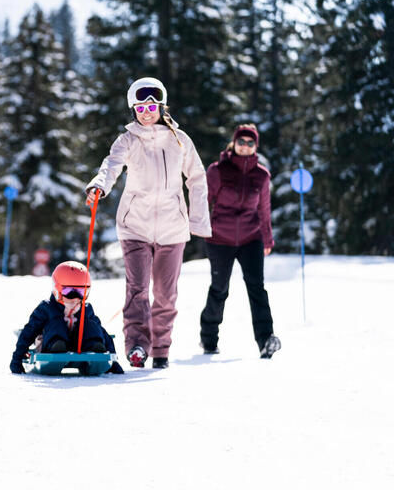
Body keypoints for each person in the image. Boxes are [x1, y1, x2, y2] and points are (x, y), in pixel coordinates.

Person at [86, 77, 211, 370]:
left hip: (172, 227)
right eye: (140, 107)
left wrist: (197, 221)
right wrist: (99, 186)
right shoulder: (128, 139)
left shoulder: (180, 140)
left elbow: (197, 178)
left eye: (151, 105)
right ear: (133, 109)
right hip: (135, 226)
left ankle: (160, 348)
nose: (146, 112)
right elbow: (111, 165)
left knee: (166, 294)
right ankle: (138, 346)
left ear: (161, 106)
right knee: (138, 289)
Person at [199, 124, 281, 359]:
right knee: (219, 289)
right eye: (241, 142)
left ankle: (266, 340)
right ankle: (209, 339)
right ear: (233, 144)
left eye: (250, 143)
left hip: (251, 238)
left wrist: (267, 239)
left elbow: (264, 210)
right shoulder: (217, 170)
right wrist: (203, 228)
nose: (245, 146)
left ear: (256, 146)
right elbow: (204, 201)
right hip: (220, 238)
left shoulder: (262, 175)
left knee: (257, 288)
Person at [10, 260, 123, 374]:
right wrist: (17, 358)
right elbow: (30, 331)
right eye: (68, 291)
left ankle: (94, 346)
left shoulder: (86, 309)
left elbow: (103, 332)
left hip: (79, 346)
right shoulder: (47, 308)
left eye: (81, 292)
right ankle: (56, 344)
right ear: (56, 289)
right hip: (49, 346)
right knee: (56, 323)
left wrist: (114, 361)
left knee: (90, 324)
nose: (75, 297)